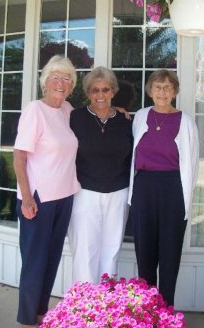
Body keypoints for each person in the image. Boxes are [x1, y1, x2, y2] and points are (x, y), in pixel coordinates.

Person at [13, 55, 81, 328]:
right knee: (34, 262)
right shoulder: (35, 110)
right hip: (39, 199)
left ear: (72, 85)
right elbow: (19, 156)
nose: (61, 82)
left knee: (51, 259)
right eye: (56, 76)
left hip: (64, 196)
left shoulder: (66, 110)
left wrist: (120, 111)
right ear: (45, 81)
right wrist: (26, 198)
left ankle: (41, 313)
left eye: (67, 78)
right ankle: (27, 319)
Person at [129, 69, 199, 306]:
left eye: (167, 87)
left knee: (169, 253)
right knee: (145, 251)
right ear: (150, 90)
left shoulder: (185, 122)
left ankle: (166, 310)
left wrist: (185, 199)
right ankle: (147, 311)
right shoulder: (140, 116)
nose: (162, 92)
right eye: (157, 87)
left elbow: (193, 163)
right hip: (143, 187)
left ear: (175, 91)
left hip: (173, 189)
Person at [67, 66, 133, 284]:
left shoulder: (126, 121)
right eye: (95, 90)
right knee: (85, 249)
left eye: (105, 90)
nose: (100, 95)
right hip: (85, 191)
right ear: (88, 93)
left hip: (118, 191)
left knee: (112, 248)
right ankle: (84, 304)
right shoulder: (75, 118)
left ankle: (106, 303)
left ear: (113, 91)